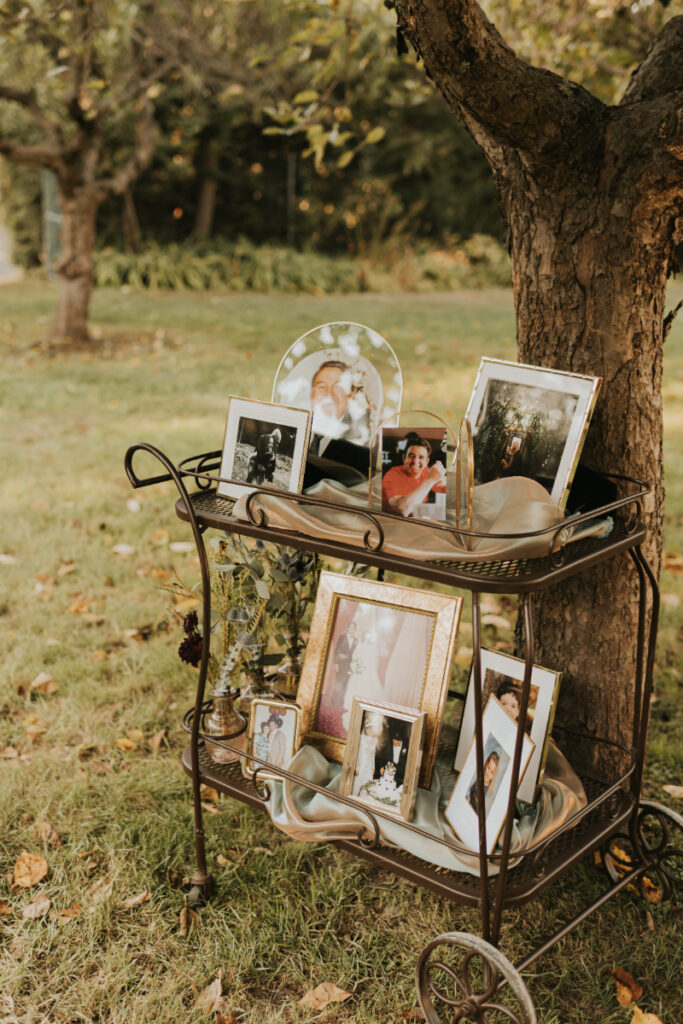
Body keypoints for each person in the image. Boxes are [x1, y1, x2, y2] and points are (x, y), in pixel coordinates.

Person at [381, 433, 447, 517]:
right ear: (404, 458)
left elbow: (444, 487)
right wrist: (430, 480)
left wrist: (444, 482)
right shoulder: (392, 475)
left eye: (421, 457)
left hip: (416, 517)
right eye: (411, 456)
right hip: (392, 518)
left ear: (427, 461)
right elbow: (403, 509)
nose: (415, 462)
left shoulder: (427, 472)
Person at [353, 713, 384, 796]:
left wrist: (373, 767)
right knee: (358, 781)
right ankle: (355, 795)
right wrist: (356, 768)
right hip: (361, 765)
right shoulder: (361, 738)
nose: (373, 733)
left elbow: (373, 755)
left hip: (369, 766)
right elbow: (358, 754)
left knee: (367, 783)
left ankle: (364, 797)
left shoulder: (375, 740)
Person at [466, 750, 500, 815]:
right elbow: (470, 795)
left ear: (494, 776)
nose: (488, 773)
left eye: (492, 772)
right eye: (488, 768)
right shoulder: (479, 778)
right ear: (486, 764)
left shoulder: (487, 794)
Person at [332, 620, 358, 705]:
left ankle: (341, 701)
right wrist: (336, 663)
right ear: (348, 628)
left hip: (350, 666)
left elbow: (356, 653)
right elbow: (337, 651)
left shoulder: (356, 640)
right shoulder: (342, 637)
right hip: (341, 664)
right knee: (339, 682)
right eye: (350, 627)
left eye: (354, 628)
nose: (352, 629)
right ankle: (334, 701)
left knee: (346, 683)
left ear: (355, 630)